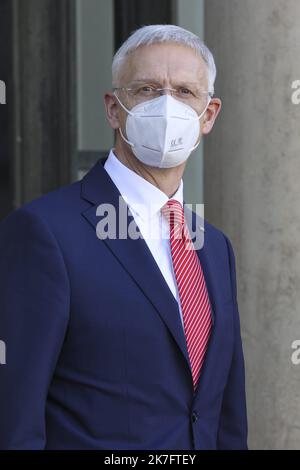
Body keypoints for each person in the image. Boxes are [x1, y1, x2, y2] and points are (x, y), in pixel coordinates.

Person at [0, 24, 247, 450]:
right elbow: (14, 413)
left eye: (185, 92)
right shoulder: (45, 233)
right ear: (114, 109)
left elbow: (223, 409)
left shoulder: (214, 246)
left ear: (208, 115)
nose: (167, 104)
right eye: (148, 89)